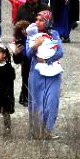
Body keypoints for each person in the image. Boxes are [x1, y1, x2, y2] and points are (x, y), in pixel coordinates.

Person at [27, 11, 65, 139]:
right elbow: (28, 54)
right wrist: (35, 45)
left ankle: (48, 130)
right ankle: (36, 131)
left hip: (53, 72)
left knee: (52, 101)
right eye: (36, 19)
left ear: (48, 21)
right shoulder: (32, 35)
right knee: (37, 102)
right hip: (36, 73)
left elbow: (60, 52)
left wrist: (47, 59)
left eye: (41, 20)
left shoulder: (54, 34)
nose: (37, 22)